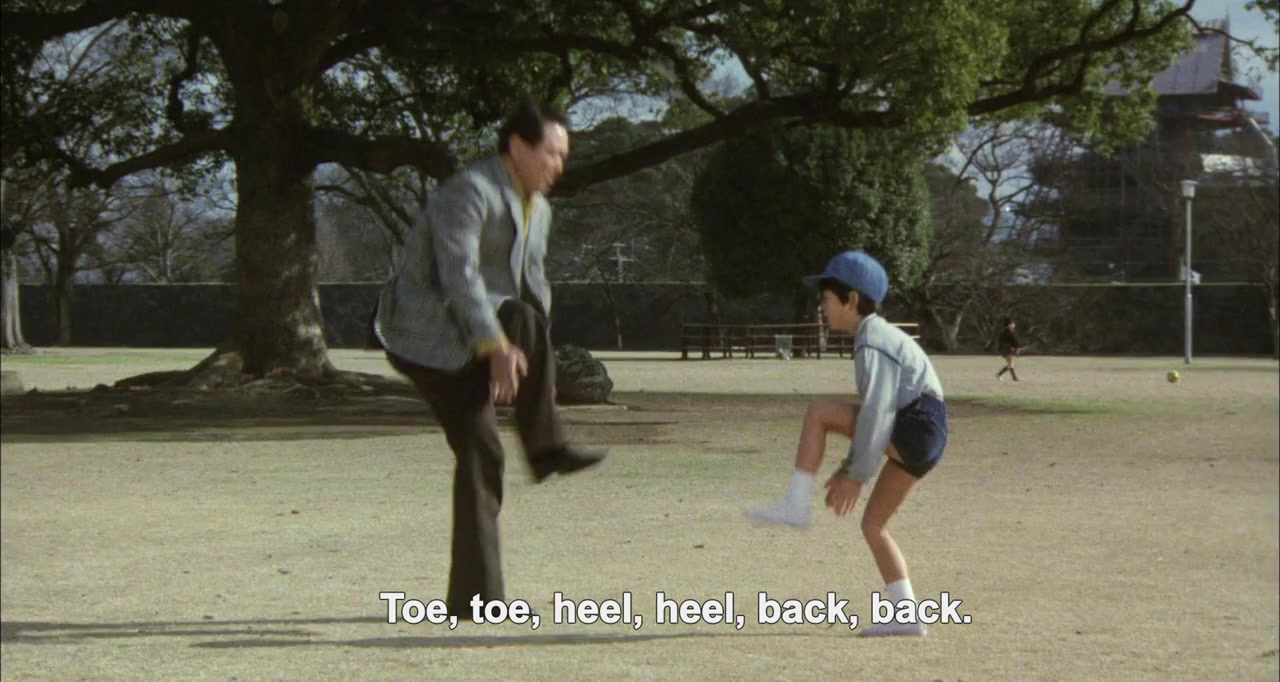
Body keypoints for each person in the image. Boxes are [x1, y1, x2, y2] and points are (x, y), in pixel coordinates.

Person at [371, 98, 605, 619]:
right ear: (518, 147)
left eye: (564, 156)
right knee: (482, 453)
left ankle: (546, 447)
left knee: (527, 314)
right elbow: (459, 275)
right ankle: (478, 600)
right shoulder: (469, 191)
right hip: (426, 335)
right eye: (551, 153)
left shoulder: (540, 208)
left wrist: (531, 355)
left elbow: (533, 286)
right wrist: (496, 347)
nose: (559, 166)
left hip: (487, 325)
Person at [745, 250, 948, 638]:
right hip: (927, 433)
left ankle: (796, 504)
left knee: (819, 413)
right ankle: (907, 615)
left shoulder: (872, 338)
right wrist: (849, 470)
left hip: (918, 424)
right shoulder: (875, 336)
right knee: (874, 525)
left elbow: (878, 413)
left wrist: (854, 474)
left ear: (851, 299)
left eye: (826, 298)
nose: (821, 307)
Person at [996, 317, 1021, 381]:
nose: (1014, 324)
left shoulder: (1005, 331)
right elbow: (1014, 341)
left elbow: (1012, 342)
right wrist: (1016, 349)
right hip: (1006, 349)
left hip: (1004, 349)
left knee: (1010, 363)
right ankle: (1013, 378)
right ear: (1009, 324)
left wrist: (1015, 349)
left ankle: (1001, 375)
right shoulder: (1008, 332)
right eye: (1012, 323)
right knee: (1011, 363)